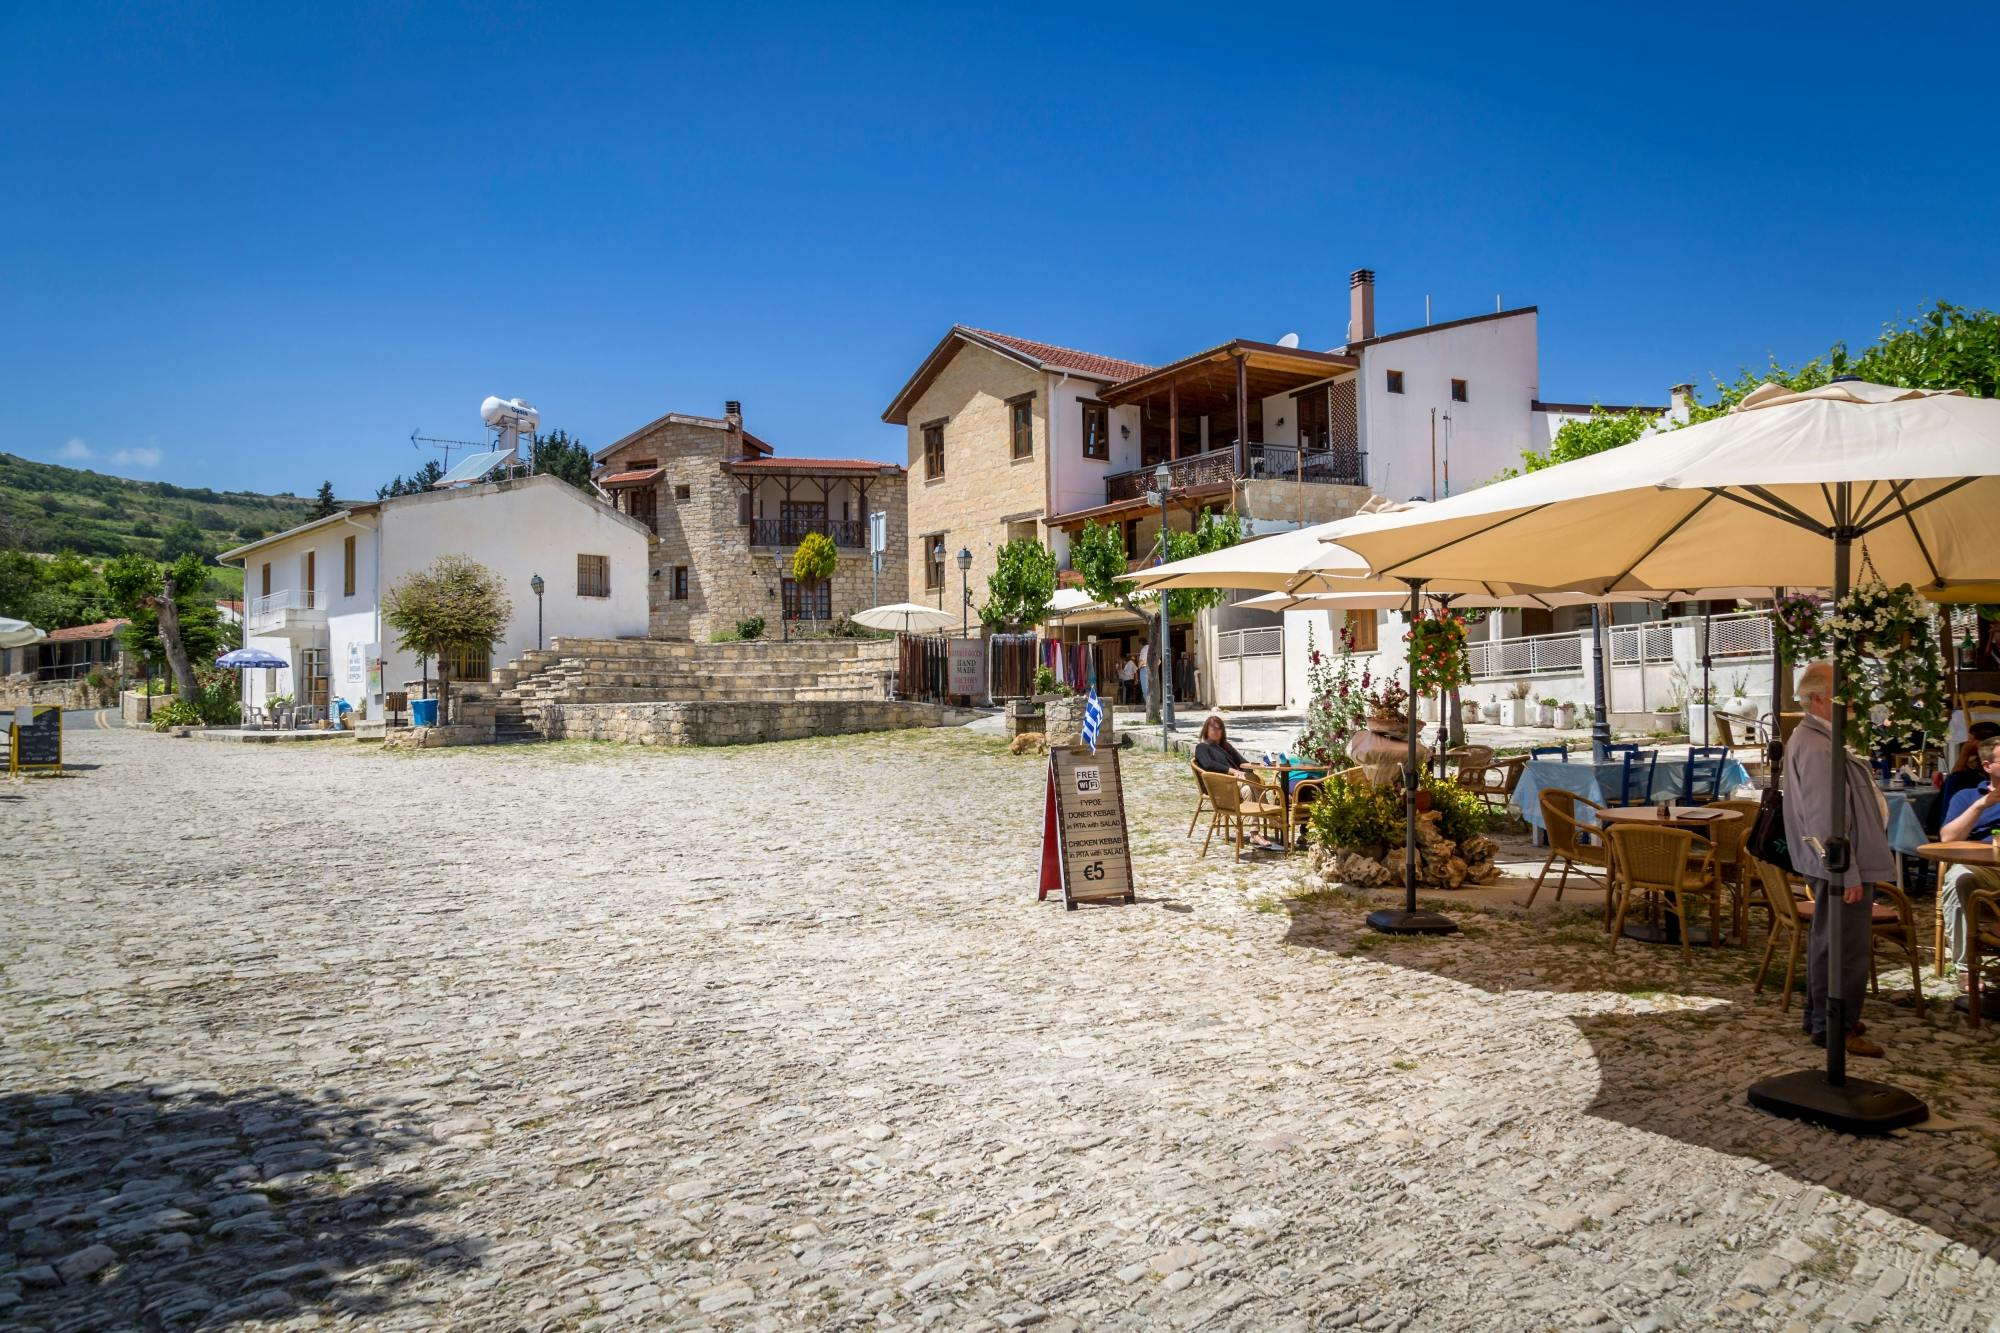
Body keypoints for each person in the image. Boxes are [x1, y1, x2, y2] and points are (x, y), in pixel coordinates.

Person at [1782, 660, 1896, 1058]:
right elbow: (1825, 815)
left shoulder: (1821, 738)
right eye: (1840, 691)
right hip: (1840, 863)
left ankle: (1823, 1015)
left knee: (1832, 942)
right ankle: (1835, 1025)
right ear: (1817, 699)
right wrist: (1846, 871)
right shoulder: (1815, 744)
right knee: (1845, 946)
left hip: (1839, 861)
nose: (1849, 699)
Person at [1936, 735, 2000, 994]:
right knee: (1958, 877)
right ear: (1988, 766)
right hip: (1983, 869)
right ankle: (1966, 968)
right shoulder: (1967, 797)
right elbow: (1948, 838)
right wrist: (1981, 805)